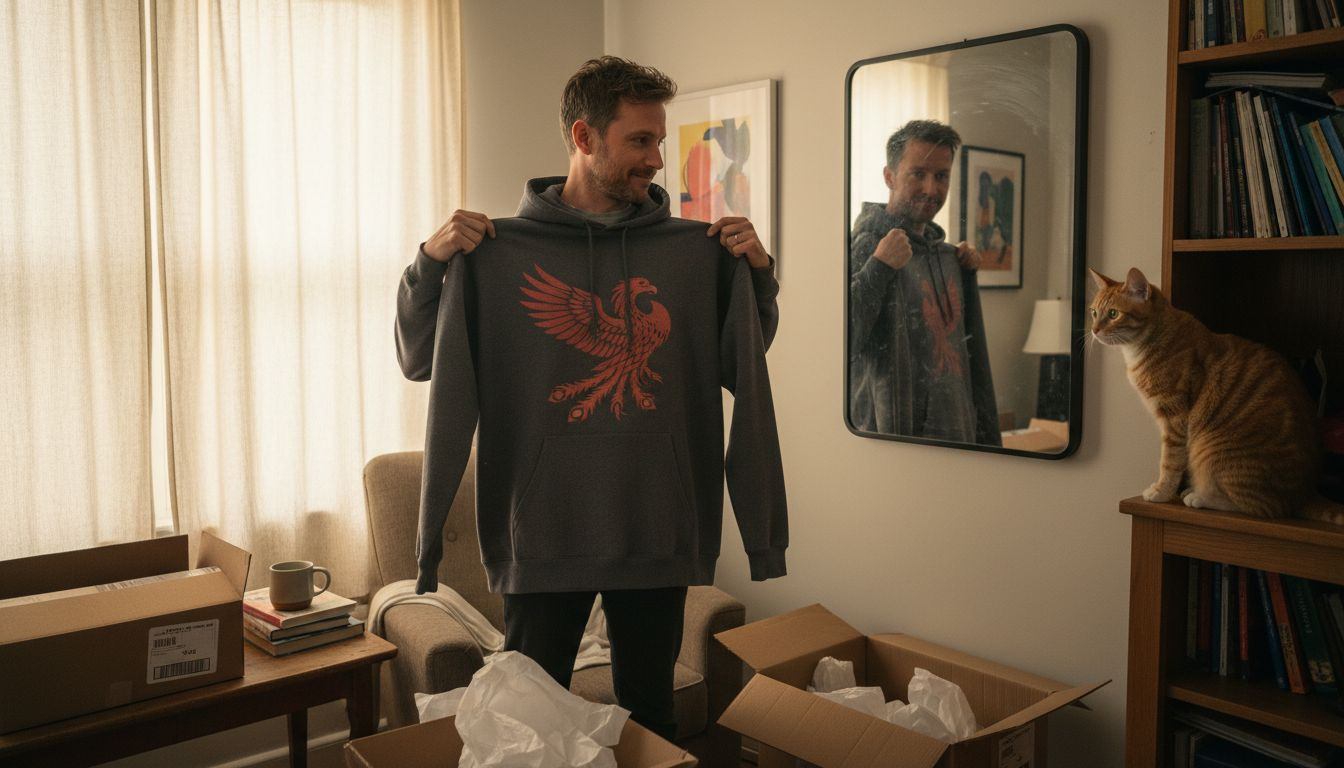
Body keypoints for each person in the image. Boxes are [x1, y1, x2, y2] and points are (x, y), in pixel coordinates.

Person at [395, 56, 788, 742]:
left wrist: (757, 277)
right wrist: (429, 264)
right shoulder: (493, 252)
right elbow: (420, 359)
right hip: (543, 530)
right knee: (532, 728)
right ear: (584, 138)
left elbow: (740, 363)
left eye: (660, 140)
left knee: (653, 724)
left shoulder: (696, 251)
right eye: (641, 141)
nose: (657, 159)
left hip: (657, 525)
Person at [848, 119, 1000, 445]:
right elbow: (841, 344)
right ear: (889, 176)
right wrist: (878, 266)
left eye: (941, 176)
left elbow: (975, 366)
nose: (931, 189)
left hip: (961, 441)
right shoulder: (863, 246)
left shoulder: (951, 256)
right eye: (918, 174)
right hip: (894, 453)